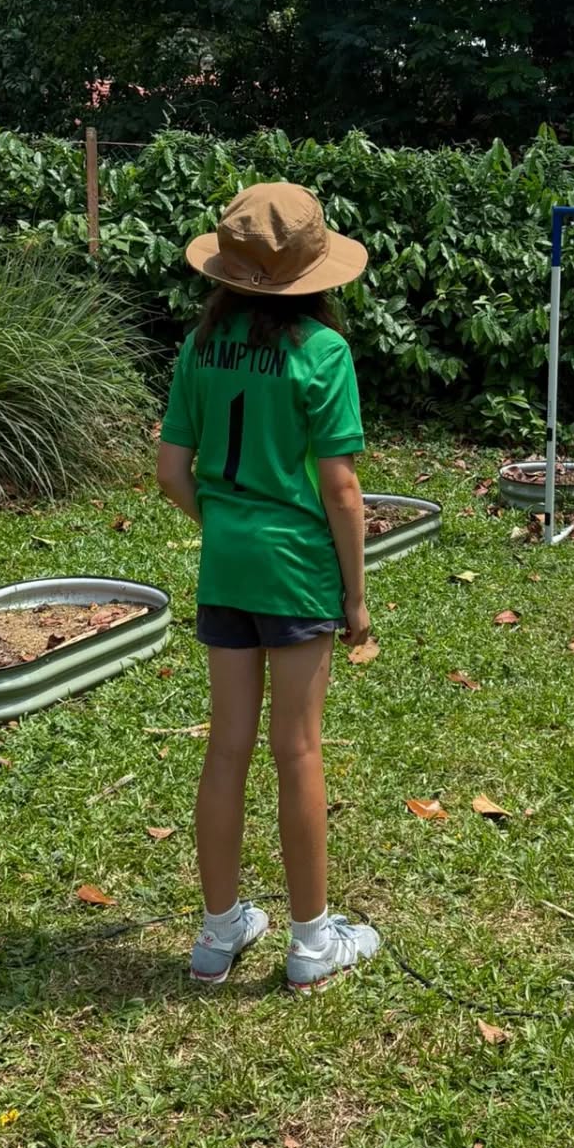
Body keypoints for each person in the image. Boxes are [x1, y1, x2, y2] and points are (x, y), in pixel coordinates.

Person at [156, 181, 380, 990]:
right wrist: (355, 597)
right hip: (296, 569)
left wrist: (224, 527)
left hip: (227, 564)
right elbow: (343, 492)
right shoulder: (324, 354)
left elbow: (171, 472)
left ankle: (218, 935)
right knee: (300, 750)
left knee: (225, 748)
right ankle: (312, 943)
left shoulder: (198, 346)